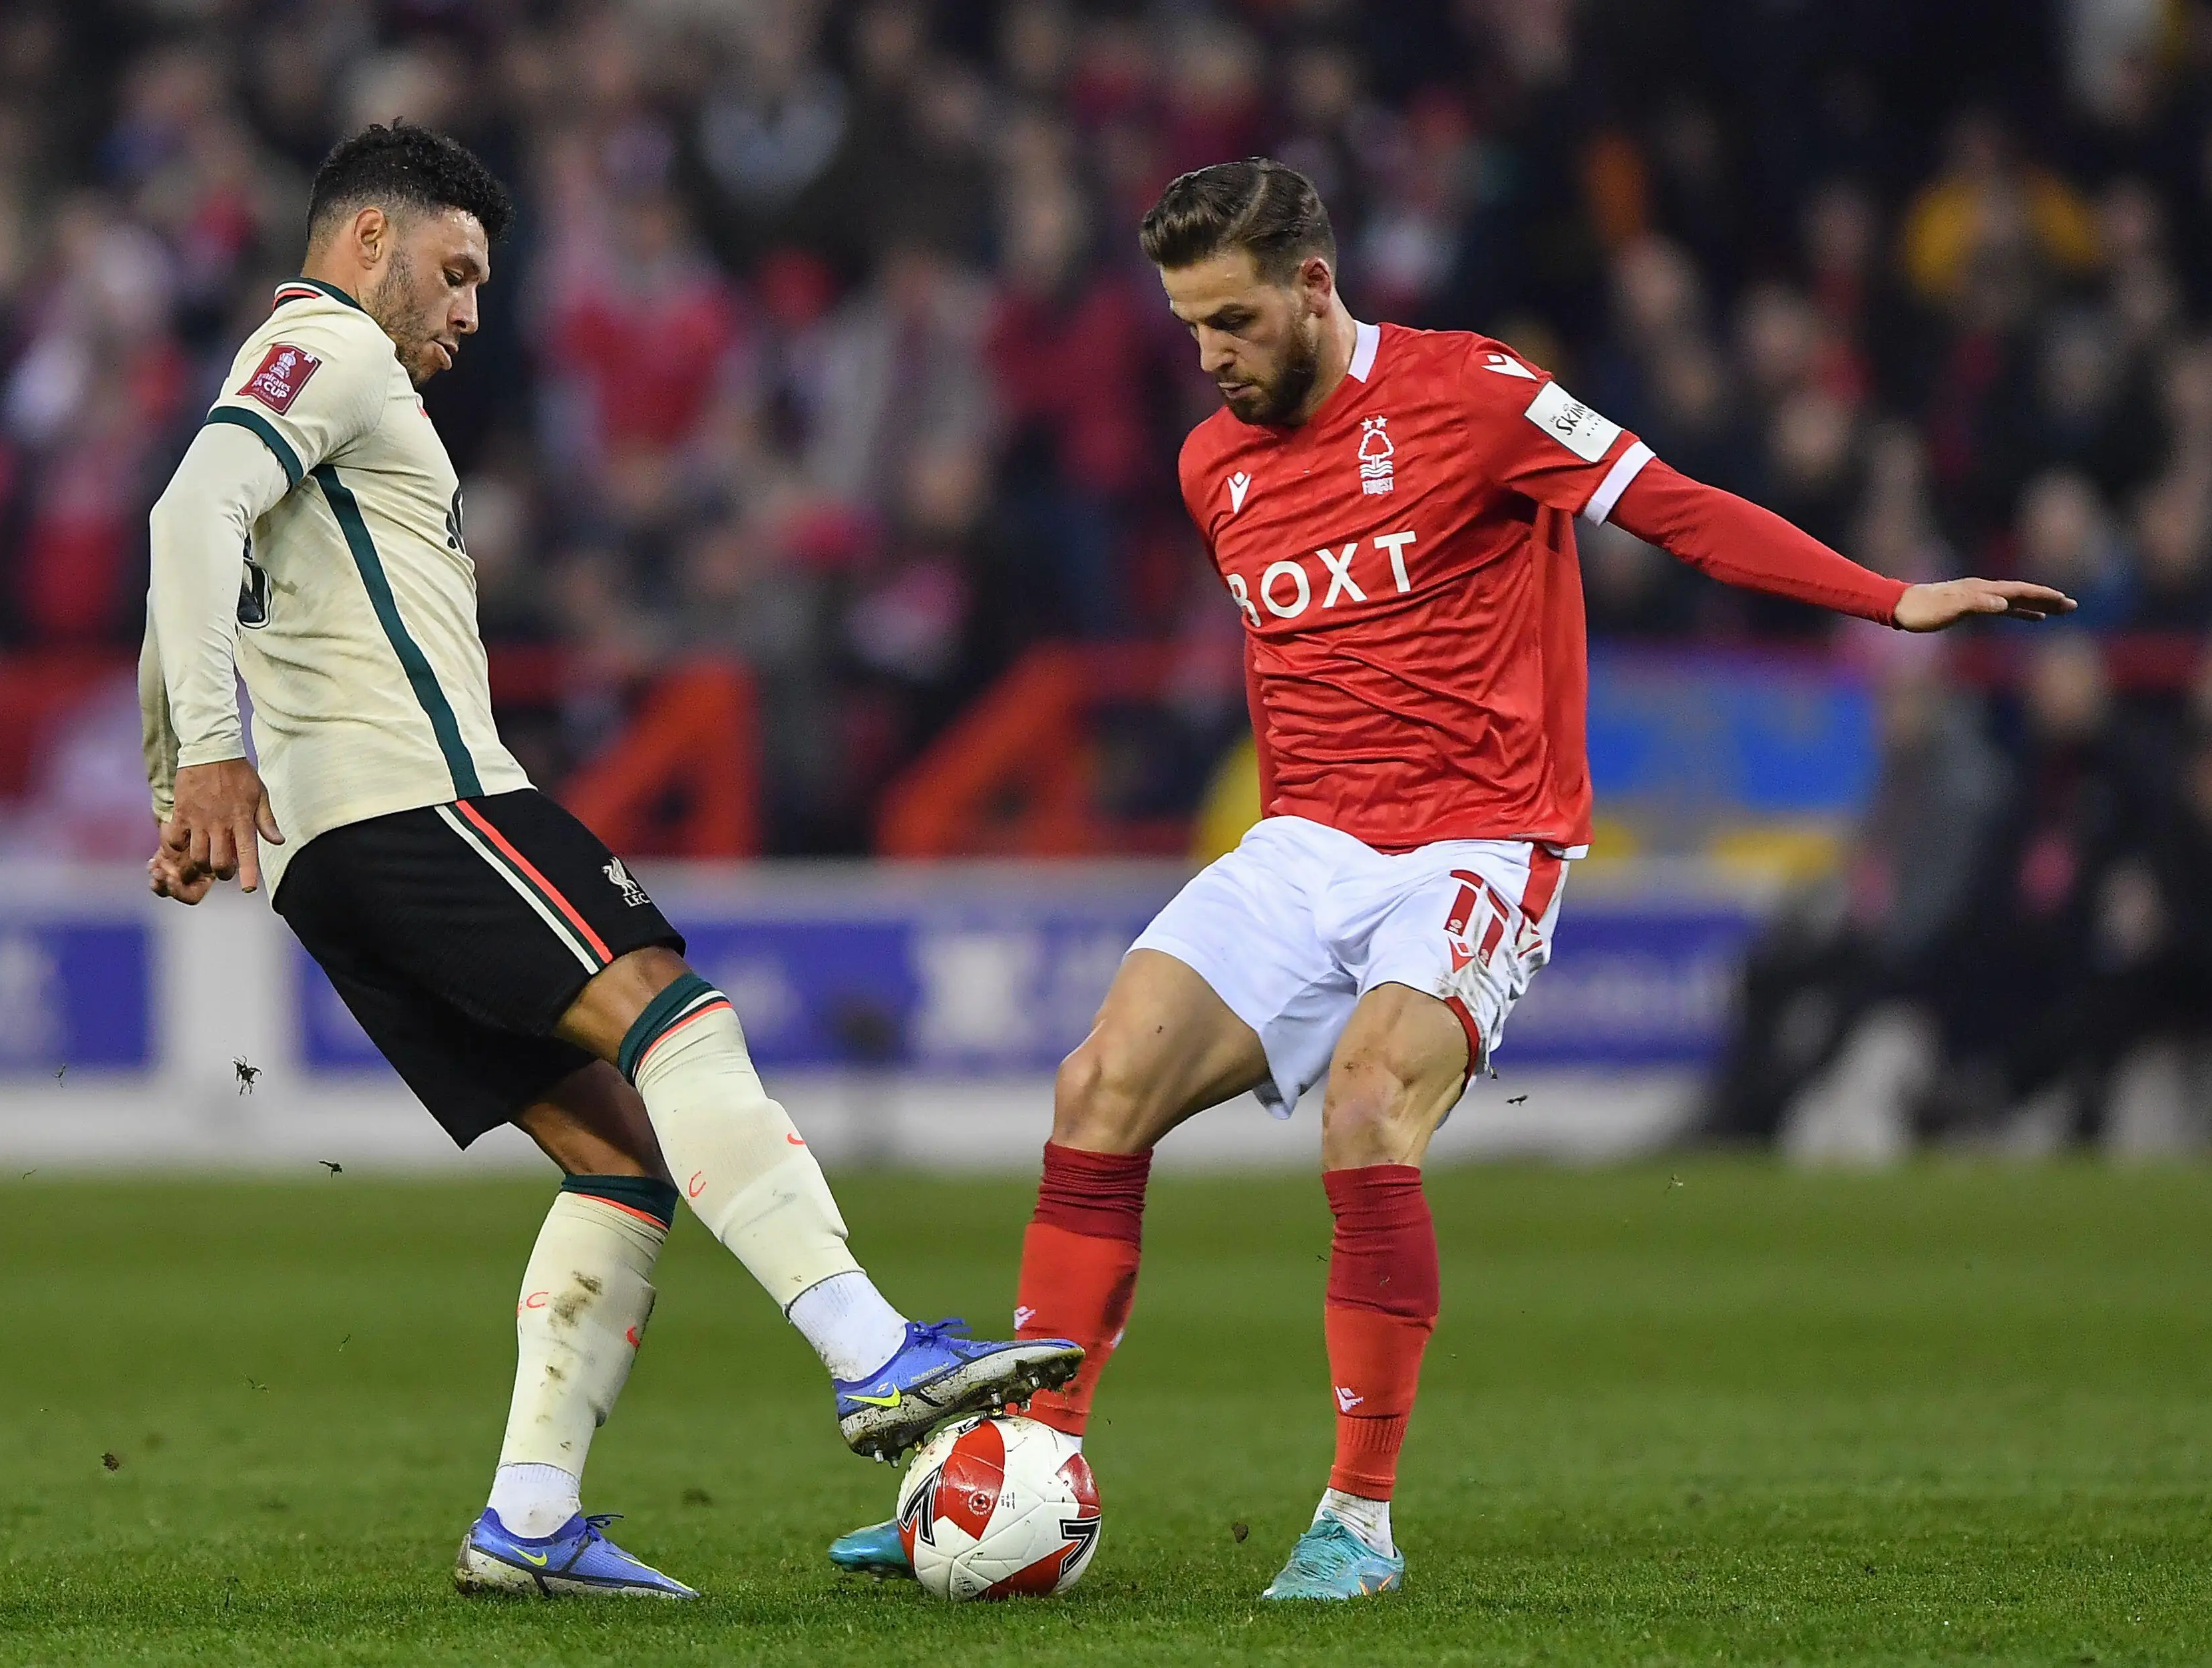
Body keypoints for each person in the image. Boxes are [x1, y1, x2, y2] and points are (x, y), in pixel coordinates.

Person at [827, 158, 2074, 1601]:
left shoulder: (1476, 394)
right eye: (1185, 329)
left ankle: (1355, 1516)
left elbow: (1670, 505)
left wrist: (1889, 595)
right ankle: (1010, 1482)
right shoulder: (1206, 467)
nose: (1210, 356)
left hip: (1477, 837)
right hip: (1304, 840)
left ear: (1312, 284)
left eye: (1230, 320)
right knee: (1094, 1086)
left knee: (1365, 1110)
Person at [140, 124, 1079, 1601]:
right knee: (673, 1011)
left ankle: (528, 1514)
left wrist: (178, 771)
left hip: (336, 851)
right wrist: (203, 749)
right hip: (422, 802)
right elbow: (187, 507)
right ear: (369, 241)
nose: (465, 315)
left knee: (615, 1152)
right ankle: (868, 1349)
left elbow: (203, 536)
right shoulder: (326, 347)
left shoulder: (299, 373)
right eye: (452, 275)